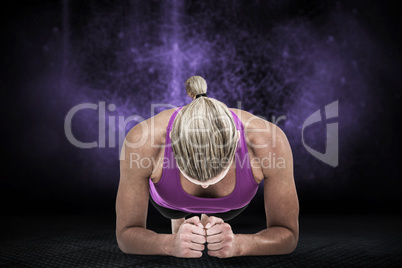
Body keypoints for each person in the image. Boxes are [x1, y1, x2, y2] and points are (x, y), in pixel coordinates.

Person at [115, 76, 299, 258]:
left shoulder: (268, 142)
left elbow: (288, 235)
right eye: (191, 175)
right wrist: (169, 245)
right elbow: (125, 235)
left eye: (217, 176)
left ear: (237, 144)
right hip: (169, 203)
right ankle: (178, 220)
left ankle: (201, 223)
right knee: (175, 213)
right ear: (172, 144)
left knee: (208, 226)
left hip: (229, 208)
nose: (204, 186)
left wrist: (241, 245)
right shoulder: (144, 140)